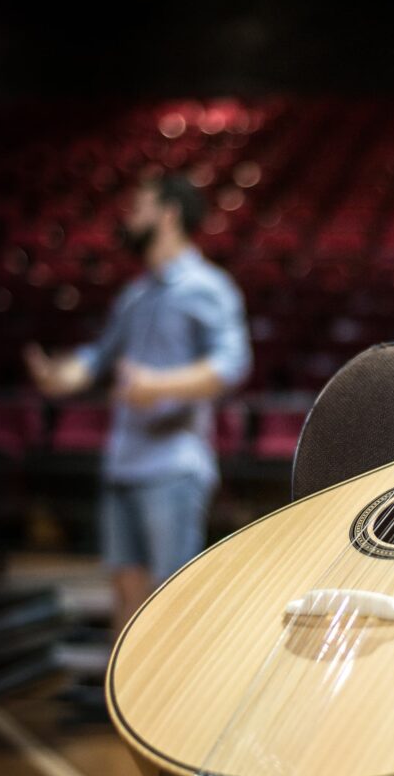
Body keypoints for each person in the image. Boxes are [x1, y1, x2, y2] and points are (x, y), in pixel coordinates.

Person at [24, 175, 253, 637]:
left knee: (169, 599)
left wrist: (158, 384)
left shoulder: (208, 286)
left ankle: (169, 706)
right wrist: (61, 376)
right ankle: (119, 706)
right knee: (125, 594)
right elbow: (99, 358)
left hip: (173, 466)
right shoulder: (136, 293)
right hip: (123, 464)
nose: (129, 218)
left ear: (168, 215)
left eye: (138, 208)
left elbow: (233, 364)